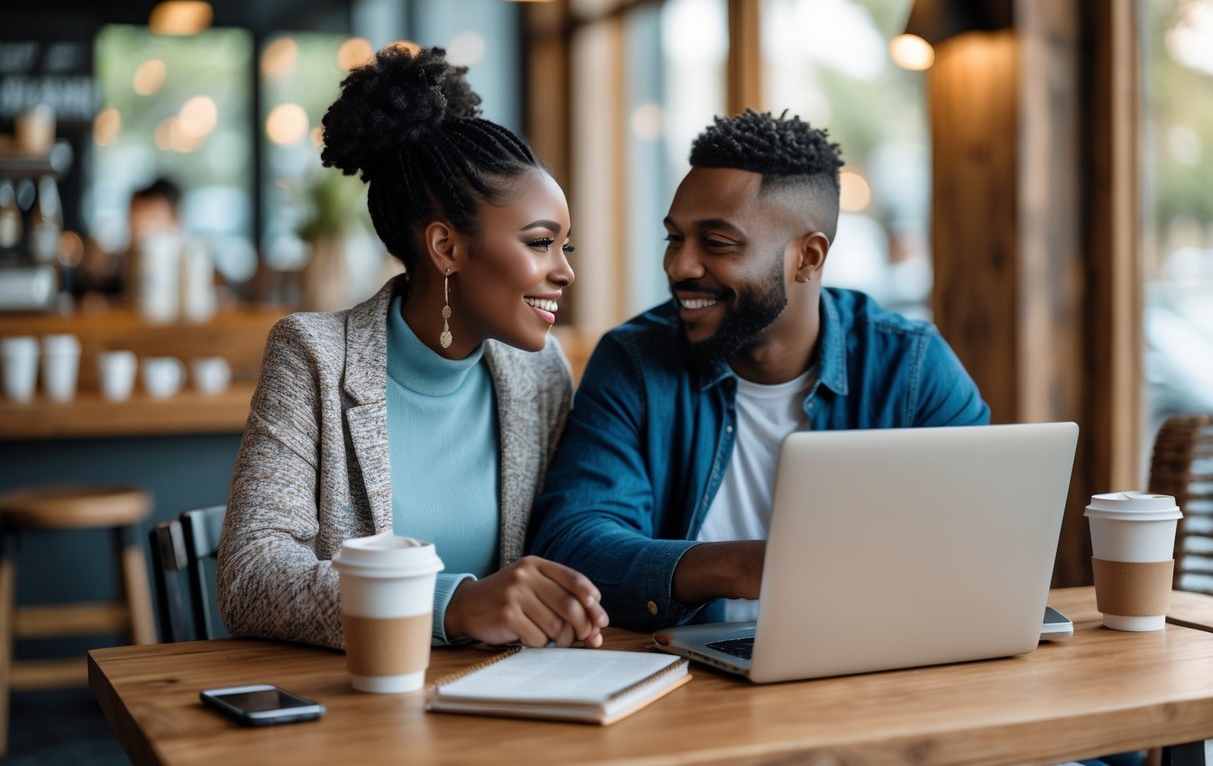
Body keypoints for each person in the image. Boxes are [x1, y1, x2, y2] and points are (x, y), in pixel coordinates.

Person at [529, 109, 990, 631]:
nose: (679, 267)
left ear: (808, 258)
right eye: (674, 239)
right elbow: (575, 542)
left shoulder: (909, 367)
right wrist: (747, 566)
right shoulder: (634, 362)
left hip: (874, 660)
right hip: (692, 680)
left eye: (718, 244)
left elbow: (979, 540)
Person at [216, 45, 608, 651]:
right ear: (446, 248)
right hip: (357, 708)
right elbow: (252, 577)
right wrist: (452, 605)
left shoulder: (540, 372)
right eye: (539, 244)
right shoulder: (313, 357)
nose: (564, 272)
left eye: (567, 248)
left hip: (509, 702)